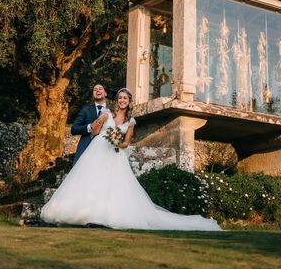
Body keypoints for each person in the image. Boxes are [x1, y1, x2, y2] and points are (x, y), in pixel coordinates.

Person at [41, 88, 221, 231]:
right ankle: (80, 212)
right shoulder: (107, 113)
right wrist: (98, 122)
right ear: (116, 100)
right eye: (119, 98)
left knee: (112, 184)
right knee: (90, 179)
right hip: (97, 150)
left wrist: (119, 142)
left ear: (129, 102)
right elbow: (95, 132)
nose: (121, 101)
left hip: (115, 154)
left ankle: (103, 215)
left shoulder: (131, 121)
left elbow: (127, 142)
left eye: (125, 99)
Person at [71, 84, 108, 166]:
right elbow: (74, 129)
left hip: (104, 152)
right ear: (93, 94)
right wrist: (90, 127)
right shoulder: (85, 109)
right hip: (85, 149)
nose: (98, 90)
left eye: (100, 88)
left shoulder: (111, 111)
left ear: (105, 93)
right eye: (95, 89)